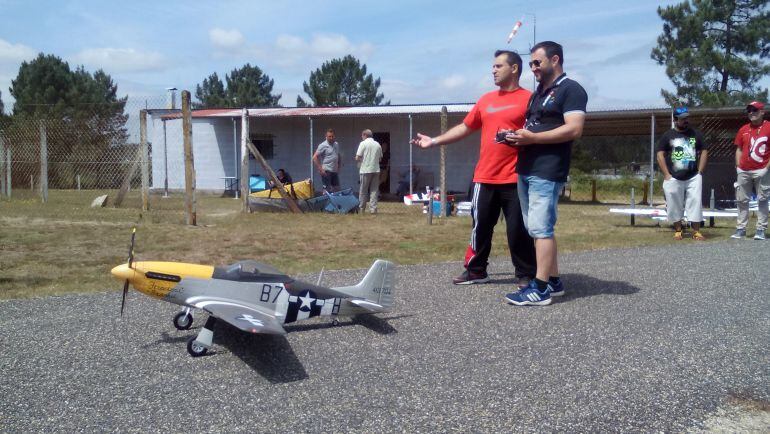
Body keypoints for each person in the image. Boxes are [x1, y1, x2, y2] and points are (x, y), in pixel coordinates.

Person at [411, 50, 536, 287]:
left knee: (518, 229)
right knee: (479, 226)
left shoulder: (529, 99)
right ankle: (476, 270)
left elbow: (538, 132)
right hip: (485, 176)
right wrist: (434, 141)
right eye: (493, 66)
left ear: (515, 69)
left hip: (516, 177)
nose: (493, 70)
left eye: (499, 66)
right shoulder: (486, 100)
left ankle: (526, 274)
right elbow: (465, 127)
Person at [504, 40, 587, 306]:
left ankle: (539, 289)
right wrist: (516, 137)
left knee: (541, 228)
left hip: (547, 169)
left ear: (555, 60)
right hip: (526, 167)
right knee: (537, 229)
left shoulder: (572, 90)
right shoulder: (538, 92)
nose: (533, 68)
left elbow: (574, 129)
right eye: (530, 64)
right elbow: (534, 127)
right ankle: (553, 281)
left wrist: (533, 139)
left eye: (537, 62)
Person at [656, 106, 709, 241]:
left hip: (693, 176)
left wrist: (700, 171)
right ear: (675, 120)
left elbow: (704, 150)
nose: (686, 120)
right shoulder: (668, 135)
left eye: (687, 118)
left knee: (695, 202)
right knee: (674, 203)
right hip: (673, 176)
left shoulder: (696, 134)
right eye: (682, 119)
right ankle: (678, 230)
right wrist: (667, 174)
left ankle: (696, 231)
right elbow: (660, 154)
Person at [732, 101, 770, 240]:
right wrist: (738, 167)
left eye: (754, 110)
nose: (751, 113)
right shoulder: (743, 129)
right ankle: (741, 228)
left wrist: (766, 169)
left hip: (762, 169)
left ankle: (760, 229)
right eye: (749, 111)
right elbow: (739, 149)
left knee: (763, 199)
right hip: (744, 170)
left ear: (762, 112)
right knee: (741, 200)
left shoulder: (768, 127)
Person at [356, 129, 383, 214]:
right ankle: (373, 209)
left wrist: (360, 161)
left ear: (364, 135)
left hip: (365, 170)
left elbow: (358, 157)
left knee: (363, 190)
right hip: (376, 169)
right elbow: (380, 158)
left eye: (362, 136)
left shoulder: (363, 143)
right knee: (374, 190)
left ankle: (361, 209)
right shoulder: (377, 144)